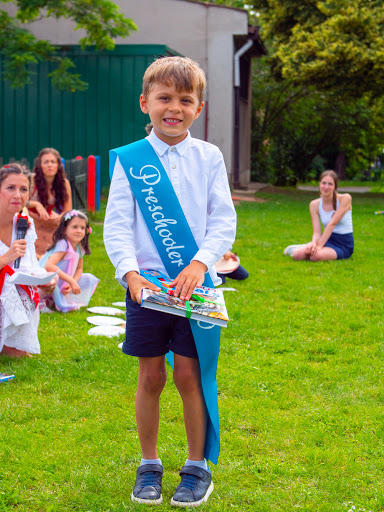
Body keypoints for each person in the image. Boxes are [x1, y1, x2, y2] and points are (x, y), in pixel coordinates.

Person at [104, 56, 236, 507]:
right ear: (146, 103)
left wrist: (200, 262)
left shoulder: (209, 157)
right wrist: (130, 273)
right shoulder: (129, 161)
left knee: (189, 375)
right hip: (147, 287)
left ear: (198, 108)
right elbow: (117, 225)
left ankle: (197, 467)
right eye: (164, 98)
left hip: (196, 286)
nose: (174, 107)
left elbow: (223, 220)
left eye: (185, 99)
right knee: (150, 375)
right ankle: (149, 464)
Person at [0, 164, 49, 358]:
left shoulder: (24, 224)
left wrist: (44, 280)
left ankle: (11, 343)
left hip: (9, 289)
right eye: (10, 188)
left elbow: (29, 267)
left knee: (24, 291)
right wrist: (6, 258)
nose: (18, 195)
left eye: (23, 189)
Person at [284, 170, 353, 261]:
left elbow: (332, 223)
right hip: (325, 238)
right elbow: (317, 232)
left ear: (335, 186)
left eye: (330, 184)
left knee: (314, 256)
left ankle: (307, 247)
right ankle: (303, 247)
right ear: (319, 184)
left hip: (343, 244)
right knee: (297, 256)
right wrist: (314, 243)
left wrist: (319, 246)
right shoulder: (314, 204)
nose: (326, 187)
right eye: (324, 183)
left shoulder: (345, 198)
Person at [39, 210, 98, 312]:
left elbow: (79, 269)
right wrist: (70, 281)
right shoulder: (63, 244)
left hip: (63, 281)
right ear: (64, 229)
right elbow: (49, 266)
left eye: (82, 228)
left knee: (88, 278)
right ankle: (39, 302)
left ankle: (52, 300)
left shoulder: (79, 248)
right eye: (75, 227)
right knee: (51, 278)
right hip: (47, 278)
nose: (79, 230)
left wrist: (73, 282)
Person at [28, 148, 72, 257]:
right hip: (29, 218)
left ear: (58, 165)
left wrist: (60, 217)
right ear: (40, 165)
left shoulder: (64, 183)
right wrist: (36, 205)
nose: (50, 165)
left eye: (53, 162)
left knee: (63, 235)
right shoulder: (32, 180)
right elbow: (20, 202)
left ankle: (52, 263)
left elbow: (68, 211)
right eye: (46, 162)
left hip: (47, 219)